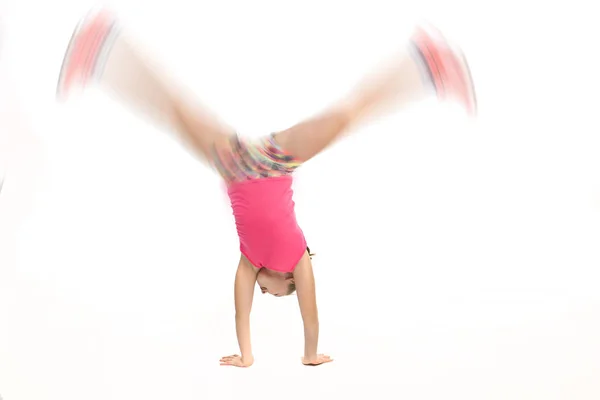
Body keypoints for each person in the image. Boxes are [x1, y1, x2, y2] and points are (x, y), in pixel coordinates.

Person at [56, 8, 477, 367]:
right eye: (271, 293)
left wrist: (247, 355)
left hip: (238, 165)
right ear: (287, 284)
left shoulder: (248, 261)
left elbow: (241, 315)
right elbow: (310, 316)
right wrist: (310, 354)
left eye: (262, 292)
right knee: (346, 115)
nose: (262, 291)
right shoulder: (297, 259)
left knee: (176, 110)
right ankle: (426, 62)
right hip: (274, 161)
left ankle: (102, 47)